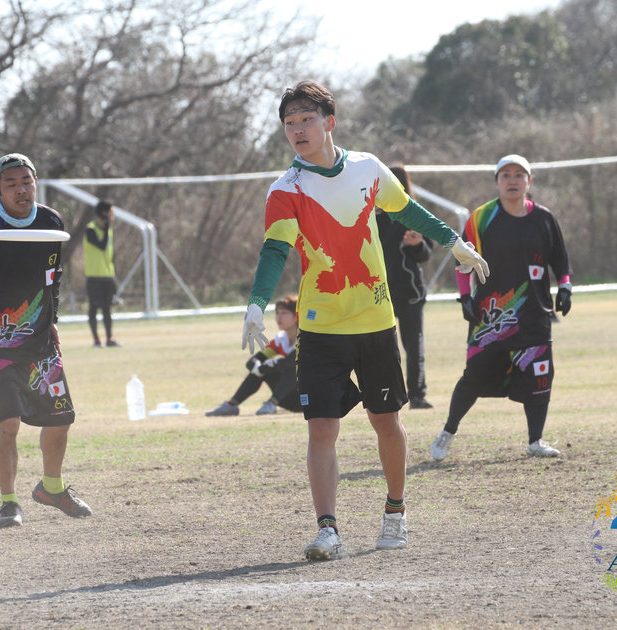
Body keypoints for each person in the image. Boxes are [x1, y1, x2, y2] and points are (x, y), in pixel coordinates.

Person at [240, 80, 489, 561]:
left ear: (329, 122)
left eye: (306, 119)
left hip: (376, 322)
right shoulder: (285, 189)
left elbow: (408, 210)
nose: (298, 130)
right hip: (320, 328)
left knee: (386, 422)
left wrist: (454, 242)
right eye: (289, 123)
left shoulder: (368, 168)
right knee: (321, 429)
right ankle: (327, 530)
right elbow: (274, 250)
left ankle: (395, 512)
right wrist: (256, 302)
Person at [0, 153, 92, 528]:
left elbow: (52, 277)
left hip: (39, 339)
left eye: (27, 181)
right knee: (8, 423)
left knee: (61, 419)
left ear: (35, 183)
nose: (21, 190)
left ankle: (52, 489)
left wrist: (51, 320)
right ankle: (9, 503)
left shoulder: (51, 222)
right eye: (11, 184)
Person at [429, 154, 572, 462]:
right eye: (505, 175)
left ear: (529, 181)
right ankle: (448, 432)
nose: (512, 180)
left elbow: (560, 259)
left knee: (539, 376)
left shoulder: (544, 218)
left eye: (519, 175)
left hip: (534, 316)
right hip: (491, 318)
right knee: (474, 377)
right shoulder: (481, 218)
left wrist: (565, 287)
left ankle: (535, 440)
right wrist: (465, 297)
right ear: (496, 181)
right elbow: (463, 259)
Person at [375, 165, 434, 409]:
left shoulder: (413, 216)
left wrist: (416, 244)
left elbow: (425, 254)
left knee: (413, 347)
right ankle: (388, 394)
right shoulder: (370, 218)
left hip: (410, 293)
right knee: (383, 348)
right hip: (380, 295)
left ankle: (417, 396)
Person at [207, 295, 301, 417]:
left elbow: (290, 361)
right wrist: (260, 367)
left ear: (296, 316)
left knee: (294, 368)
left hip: (310, 399)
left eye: (284, 313)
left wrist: (265, 366)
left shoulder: (305, 338)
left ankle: (271, 403)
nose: (279, 317)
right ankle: (231, 405)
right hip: (289, 400)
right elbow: (251, 362)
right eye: (277, 313)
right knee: (258, 369)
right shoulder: (280, 340)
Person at [85, 199, 120, 347]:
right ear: (104, 213)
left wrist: (114, 276)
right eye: (111, 212)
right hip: (94, 276)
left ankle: (110, 339)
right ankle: (96, 340)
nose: (112, 215)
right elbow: (101, 246)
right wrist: (105, 229)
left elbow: (110, 255)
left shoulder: (109, 230)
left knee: (107, 309)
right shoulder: (90, 229)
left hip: (107, 276)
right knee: (94, 308)